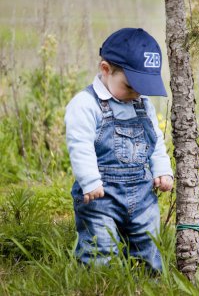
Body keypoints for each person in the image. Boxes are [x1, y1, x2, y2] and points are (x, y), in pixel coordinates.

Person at [65, 27, 174, 272]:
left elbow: (155, 141)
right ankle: (99, 281)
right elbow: (80, 145)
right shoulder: (85, 104)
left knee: (148, 245)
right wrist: (89, 181)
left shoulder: (142, 104)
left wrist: (163, 170)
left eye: (142, 87)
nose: (136, 93)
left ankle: (147, 282)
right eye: (130, 86)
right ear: (105, 69)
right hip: (100, 196)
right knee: (100, 246)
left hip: (143, 195)